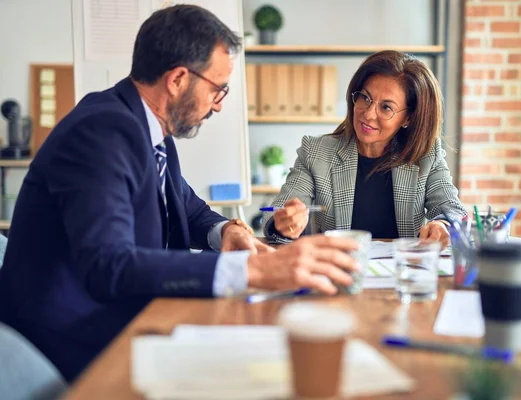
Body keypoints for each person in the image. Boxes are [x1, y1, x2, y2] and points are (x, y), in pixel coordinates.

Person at [0, 5, 359, 383]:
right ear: (177, 79)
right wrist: (253, 269)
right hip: (69, 339)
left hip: (117, 318)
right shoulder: (101, 133)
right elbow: (109, 266)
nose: (219, 105)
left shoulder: (147, 129)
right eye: (218, 89)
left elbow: (186, 209)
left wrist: (225, 232)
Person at [264, 51, 467, 246]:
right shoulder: (316, 152)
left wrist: (442, 224)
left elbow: (452, 209)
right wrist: (283, 223)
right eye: (365, 98)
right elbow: (277, 213)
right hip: (337, 271)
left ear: (408, 118)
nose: (368, 114)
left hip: (401, 273)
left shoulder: (425, 155)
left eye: (386, 107)